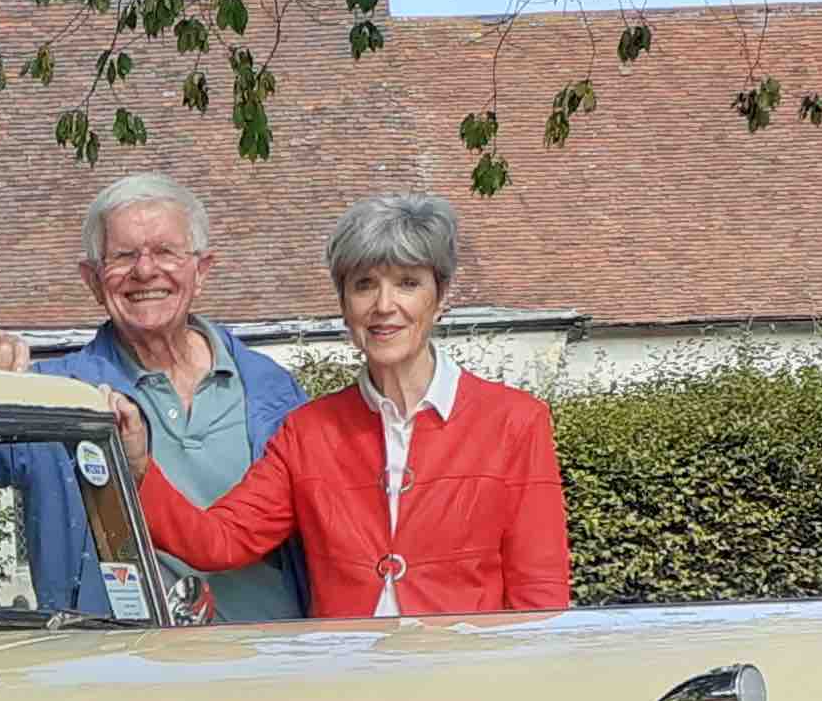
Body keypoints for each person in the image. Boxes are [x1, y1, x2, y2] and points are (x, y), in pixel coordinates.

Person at [118, 194, 573, 618]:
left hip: (466, 685)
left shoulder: (516, 421)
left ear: (441, 297)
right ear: (343, 303)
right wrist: (138, 468)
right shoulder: (308, 431)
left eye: (408, 283)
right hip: (344, 685)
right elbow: (217, 542)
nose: (384, 305)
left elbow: (539, 594)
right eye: (364, 285)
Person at [0, 171, 307, 621]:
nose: (144, 270)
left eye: (165, 251)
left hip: (273, 666)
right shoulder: (57, 400)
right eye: (123, 255)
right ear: (93, 279)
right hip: (120, 671)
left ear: (202, 271)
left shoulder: (274, 390)